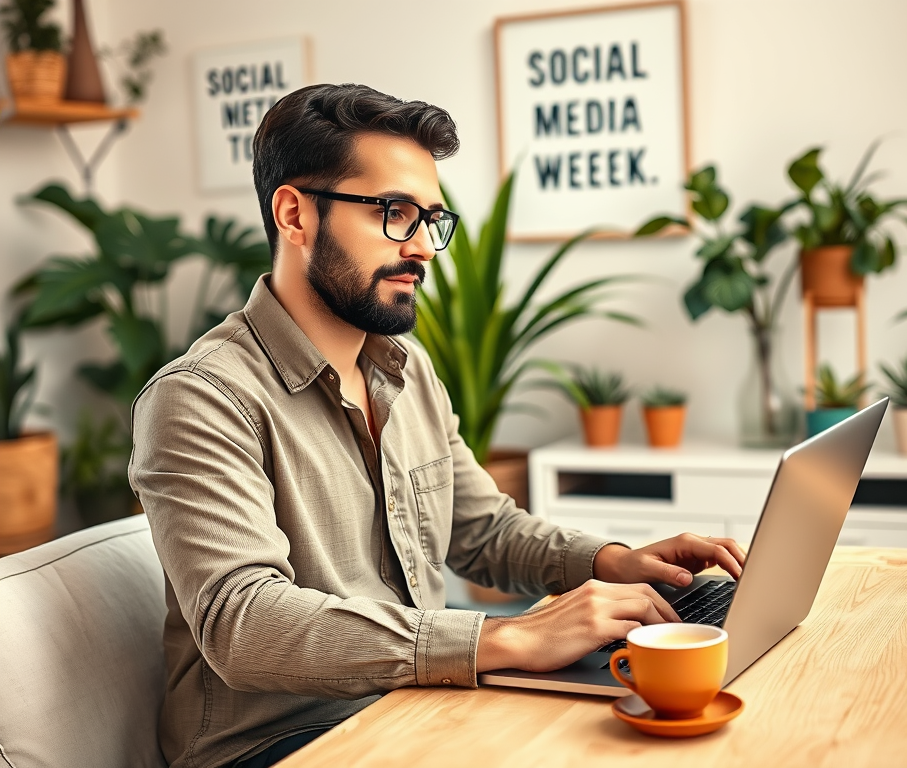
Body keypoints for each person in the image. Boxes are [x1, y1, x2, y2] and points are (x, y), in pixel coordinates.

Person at [129, 83, 746, 768]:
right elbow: (243, 624)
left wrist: (612, 563)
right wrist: (499, 641)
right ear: (294, 214)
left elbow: (481, 530)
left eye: (430, 219)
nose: (424, 247)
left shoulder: (405, 370)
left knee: (701, 663)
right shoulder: (202, 398)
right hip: (281, 746)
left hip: (419, 702)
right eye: (395, 213)